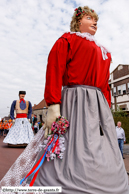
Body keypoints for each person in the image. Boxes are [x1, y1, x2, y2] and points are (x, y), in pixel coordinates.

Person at [0, 6, 128, 194]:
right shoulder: (68, 40)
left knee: (99, 143)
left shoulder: (104, 52)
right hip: (75, 100)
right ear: (78, 21)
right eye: (88, 18)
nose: (94, 22)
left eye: (96, 20)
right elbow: (55, 68)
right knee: (73, 140)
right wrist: (53, 104)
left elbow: (105, 86)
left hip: (97, 104)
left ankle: (106, 178)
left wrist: (106, 107)